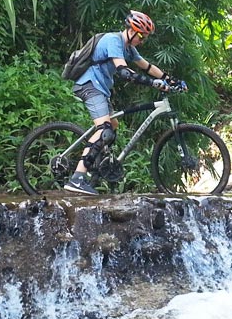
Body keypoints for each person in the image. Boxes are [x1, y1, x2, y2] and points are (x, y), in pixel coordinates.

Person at [65, 10, 182, 195]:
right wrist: (153, 83)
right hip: (89, 85)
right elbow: (124, 72)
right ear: (132, 31)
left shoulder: (129, 48)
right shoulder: (113, 40)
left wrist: (171, 80)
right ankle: (77, 179)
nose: (142, 41)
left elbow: (147, 66)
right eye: (141, 36)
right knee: (104, 130)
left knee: (113, 125)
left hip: (101, 89)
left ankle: (99, 164)